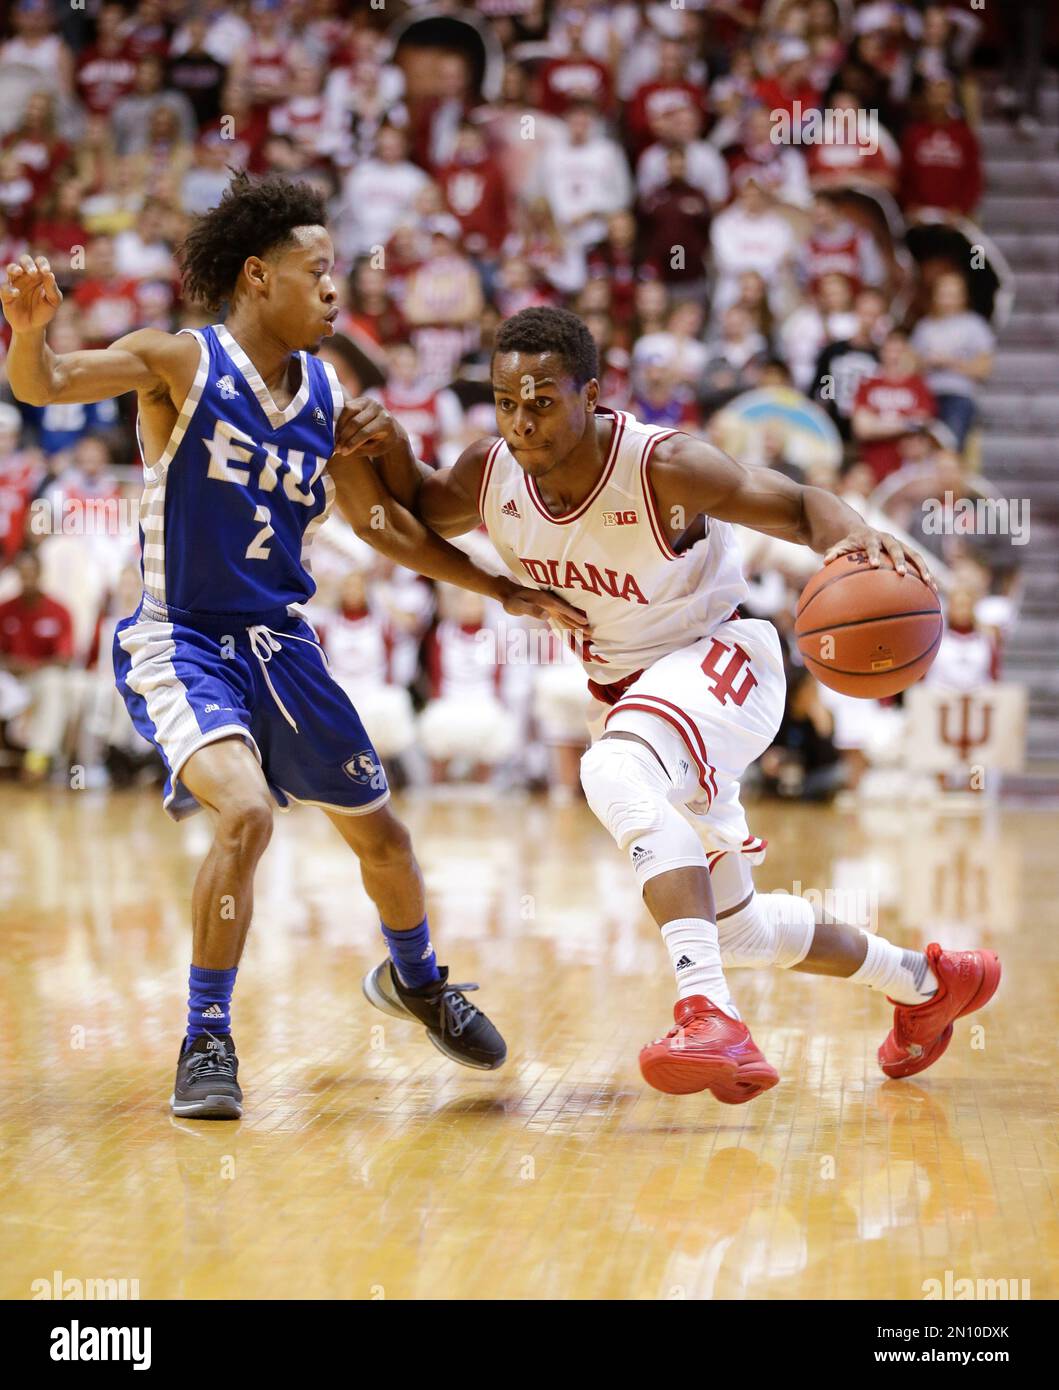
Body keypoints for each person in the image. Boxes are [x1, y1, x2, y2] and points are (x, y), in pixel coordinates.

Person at [2, 173, 586, 1120]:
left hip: (282, 643)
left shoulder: (327, 393)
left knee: (385, 841)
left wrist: (503, 588)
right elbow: (51, 382)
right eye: (317, 273)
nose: (333, 291)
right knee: (246, 816)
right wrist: (29, 334)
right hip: (181, 636)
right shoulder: (177, 362)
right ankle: (206, 1036)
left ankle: (417, 979)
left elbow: (387, 532)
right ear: (256, 276)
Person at [393, 305, 1000, 1105]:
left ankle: (708, 1015)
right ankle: (926, 984)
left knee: (611, 772)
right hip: (626, 692)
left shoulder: (663, 466)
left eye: (542, 401)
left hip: (721, 657)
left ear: (592, 395)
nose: (522, 422)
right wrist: (371, 444)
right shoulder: (490, 471)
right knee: (736, 929)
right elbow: (410, 507)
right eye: (507, 403)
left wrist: (850, 536)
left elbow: (792, 504)